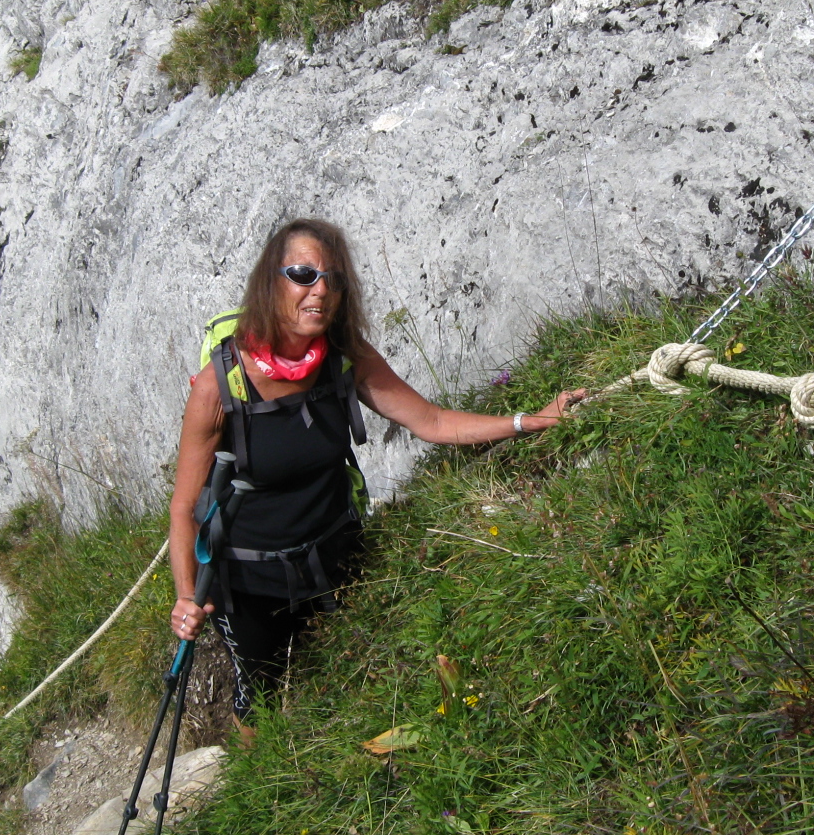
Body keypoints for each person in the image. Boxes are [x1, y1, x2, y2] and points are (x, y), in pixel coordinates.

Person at [167, 218, 583, 738]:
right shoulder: (219, 385)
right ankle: (257, 788)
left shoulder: (345, 358)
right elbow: (184, 508)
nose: (319, 290)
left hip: (338, 555)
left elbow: (431, 421)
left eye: (333, 279)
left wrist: (531, 421)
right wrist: (187, 596)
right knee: (259, 696)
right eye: (302, 274)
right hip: (250, 580)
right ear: (269, 281)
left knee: (352, 675)